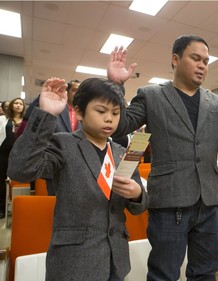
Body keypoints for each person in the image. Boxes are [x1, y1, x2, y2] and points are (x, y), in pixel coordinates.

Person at [107, 35, 218, 280]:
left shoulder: (215, 103)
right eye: (195, 58)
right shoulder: (152, 95)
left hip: (210, 203)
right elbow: (120, 126)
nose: (202, 66)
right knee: (164, 274)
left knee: (206, 272)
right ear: (175, 60)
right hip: (169, 202)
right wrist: (116, 87)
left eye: (206, 61)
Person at [7, 77, 148, 281]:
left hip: (115, 260)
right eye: (101, 111)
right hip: (74, 261)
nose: (109, 118)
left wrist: (136, 195)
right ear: (79, 112)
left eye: (115, 113)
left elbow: (137, 206)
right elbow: (20, 169)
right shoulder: (64, 144)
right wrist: (45, 115)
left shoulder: (121, 152)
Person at [15, 80, 81, 195]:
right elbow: (30, 118)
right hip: (55, 169)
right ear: (67, 92)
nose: (78, 93)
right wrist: (43, 98)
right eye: (75, 90)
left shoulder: (85, 113)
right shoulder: (55, 107)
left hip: (78, 172)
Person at [0, 97, 25, 219]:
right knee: (2, 180)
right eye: (16, 103)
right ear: (12, 106)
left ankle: (21, 207)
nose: (18, 105)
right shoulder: (3, 119)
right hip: (4, 153)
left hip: (20, 154)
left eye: (21, 104)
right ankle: (1, 208)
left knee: (19, 180)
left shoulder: (26, 121)